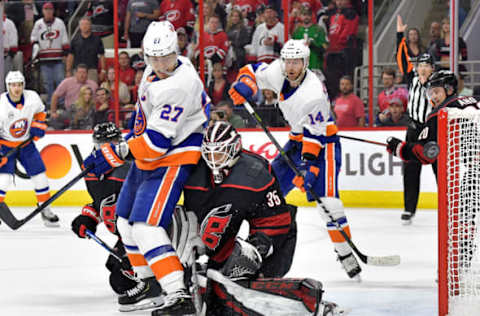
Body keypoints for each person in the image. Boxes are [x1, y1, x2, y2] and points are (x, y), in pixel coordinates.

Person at [82, 21, 207, 315]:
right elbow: (145, 126)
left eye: (165, 56)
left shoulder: (179, 85)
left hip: (173, 157)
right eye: (154, 57)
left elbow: (157, 143)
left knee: (146, 227)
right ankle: (149, 284)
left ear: (175, 51)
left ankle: (178, 292)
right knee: (124, 222)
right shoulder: (156, 72)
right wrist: (122, 146)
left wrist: (118, 152)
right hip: (148, 155)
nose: (161, 63)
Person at [228, 39, 362, 280]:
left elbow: (315, 137)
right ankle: (255, 248)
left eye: (296, 62)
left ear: (305, 63)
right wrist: (245, 87)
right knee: (266, 191)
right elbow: (250, 71)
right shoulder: (277, 71)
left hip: (323, 144)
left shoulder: (313, 93)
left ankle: (346, 255)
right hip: (296, 140)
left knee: (329, 204)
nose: (290, 67)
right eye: (287, 61)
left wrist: (310, 169)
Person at [182, 121, 342, 315]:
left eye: (220, 152)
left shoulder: (255, 172)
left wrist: (257, 248)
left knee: (240, 271)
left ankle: (300, 302)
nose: (214, 159)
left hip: (266, 235)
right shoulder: (190, 168)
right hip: (211, 236)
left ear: (234, 148)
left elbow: (276, 219)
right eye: (209, 153)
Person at [71, 122, 146, 309]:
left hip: (143, 235)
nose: (107, 148)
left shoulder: (131, 167)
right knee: (113, 265)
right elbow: (100, 202)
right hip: (125, 236)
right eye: (103, 144)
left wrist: (140, 250)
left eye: (113, 142)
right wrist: (88, 218)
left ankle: (160, 283)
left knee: (121, 281)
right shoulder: (93, 169)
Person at [386, 70, 478, 176]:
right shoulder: (474, 99)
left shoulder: (438, 114)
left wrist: (400, 148)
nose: (434, 97)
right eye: (431, 93)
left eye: (437, 92)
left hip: (469, 173)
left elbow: (426, 153)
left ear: (449, 90)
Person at [0, 71, 59, 227]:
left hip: (26, 145)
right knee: (3, 181)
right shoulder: (1, 105)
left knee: (40, 176)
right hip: (5, 145)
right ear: (8, 86)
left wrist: (37, 125)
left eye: (19, 84)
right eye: (13, 85)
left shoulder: (32, 97)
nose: (17, 88)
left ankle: (45, 209)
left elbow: (40, 112)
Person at [395, 48, 436, 225]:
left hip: (432, 131)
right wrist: (399, 35)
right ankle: (409, 208)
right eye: (420, 65)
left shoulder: (437, 83)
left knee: (439, 169)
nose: (423, 68)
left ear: (433, 68)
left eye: (427, 65)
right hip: (413, 130)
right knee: (410, 170)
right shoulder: (411, 79)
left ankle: (449, 206)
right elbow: (402, 61)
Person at [30, 1, 70, 109]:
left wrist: (65, 55)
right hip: (44, 59)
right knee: (48, 84)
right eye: (46, 10)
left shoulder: (59, 23)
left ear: (53, 11)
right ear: (43, 11)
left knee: (60, 82)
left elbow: (64, 39)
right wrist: (36, 46)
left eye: (50, 10)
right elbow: (33, 38)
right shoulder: (38, 24)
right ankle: (50, 105)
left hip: (58, 58)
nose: (48, 12)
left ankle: (61, 104)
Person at [66, 17, 106, 82]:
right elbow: (70, 56)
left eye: (86, 24)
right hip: (77, 70)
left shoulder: (97, 39)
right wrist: (68, 71)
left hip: (91, 71)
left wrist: (103, 70)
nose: (84, 26)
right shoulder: (74, 40)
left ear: (90, 25)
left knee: (92, 90)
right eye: (82, 24)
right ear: (79, 26)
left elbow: (102, 56)